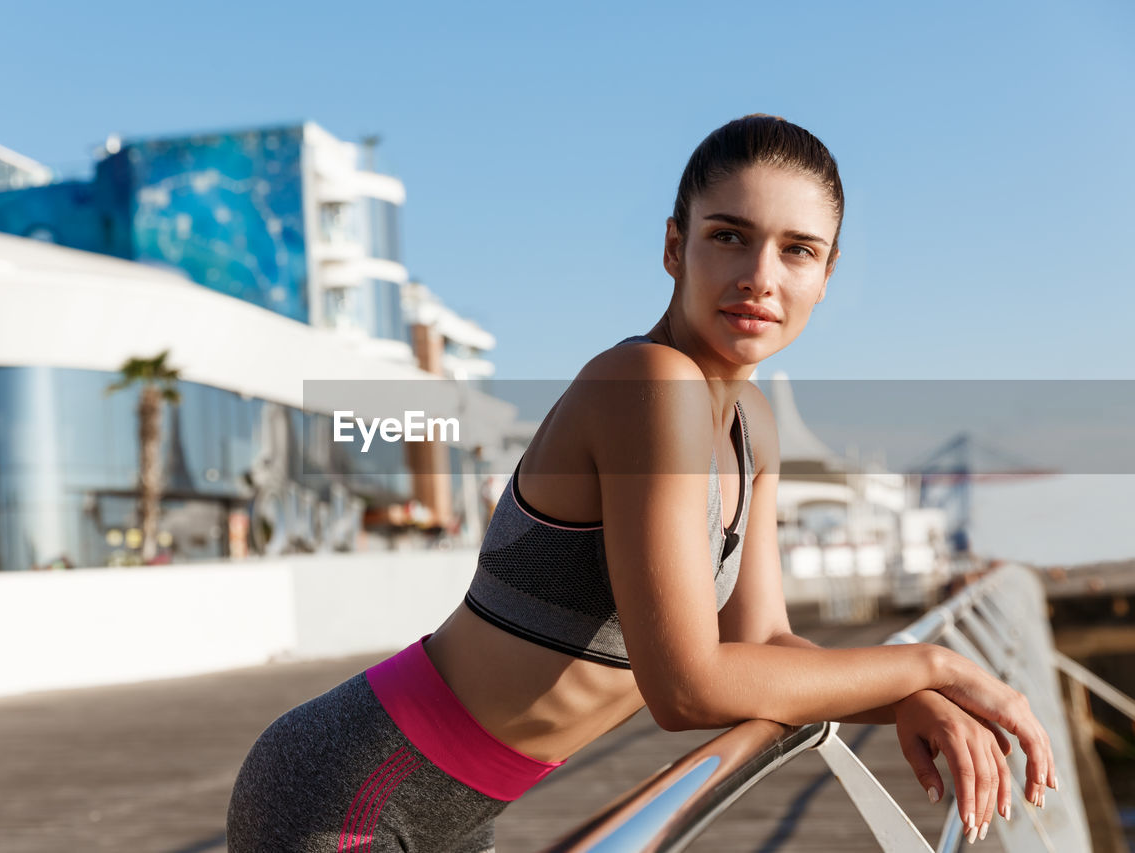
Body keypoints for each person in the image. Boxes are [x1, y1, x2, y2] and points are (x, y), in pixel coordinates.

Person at [226, 114, 1056, 851]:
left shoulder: (750, 425)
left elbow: (763, 643)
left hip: (458, 802)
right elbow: (688, 686)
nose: (761, 275)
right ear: (674, 247)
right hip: (352, 786)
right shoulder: (647, 384)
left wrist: (905, 699)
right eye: (729, 235)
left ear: (826, 274)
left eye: (796, 250)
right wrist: (928, 665)